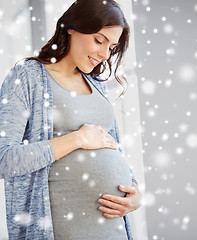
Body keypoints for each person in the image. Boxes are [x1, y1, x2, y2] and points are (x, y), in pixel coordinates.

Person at [0, 0, 142, 239]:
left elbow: (111, 147)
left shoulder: (97, 85)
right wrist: (77, 139)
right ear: (72, 27)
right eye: (99, 40)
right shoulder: (27, 77)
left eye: (112, 47)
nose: (104, 54)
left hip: (113, 231)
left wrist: (134, 192)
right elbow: (5, 159)